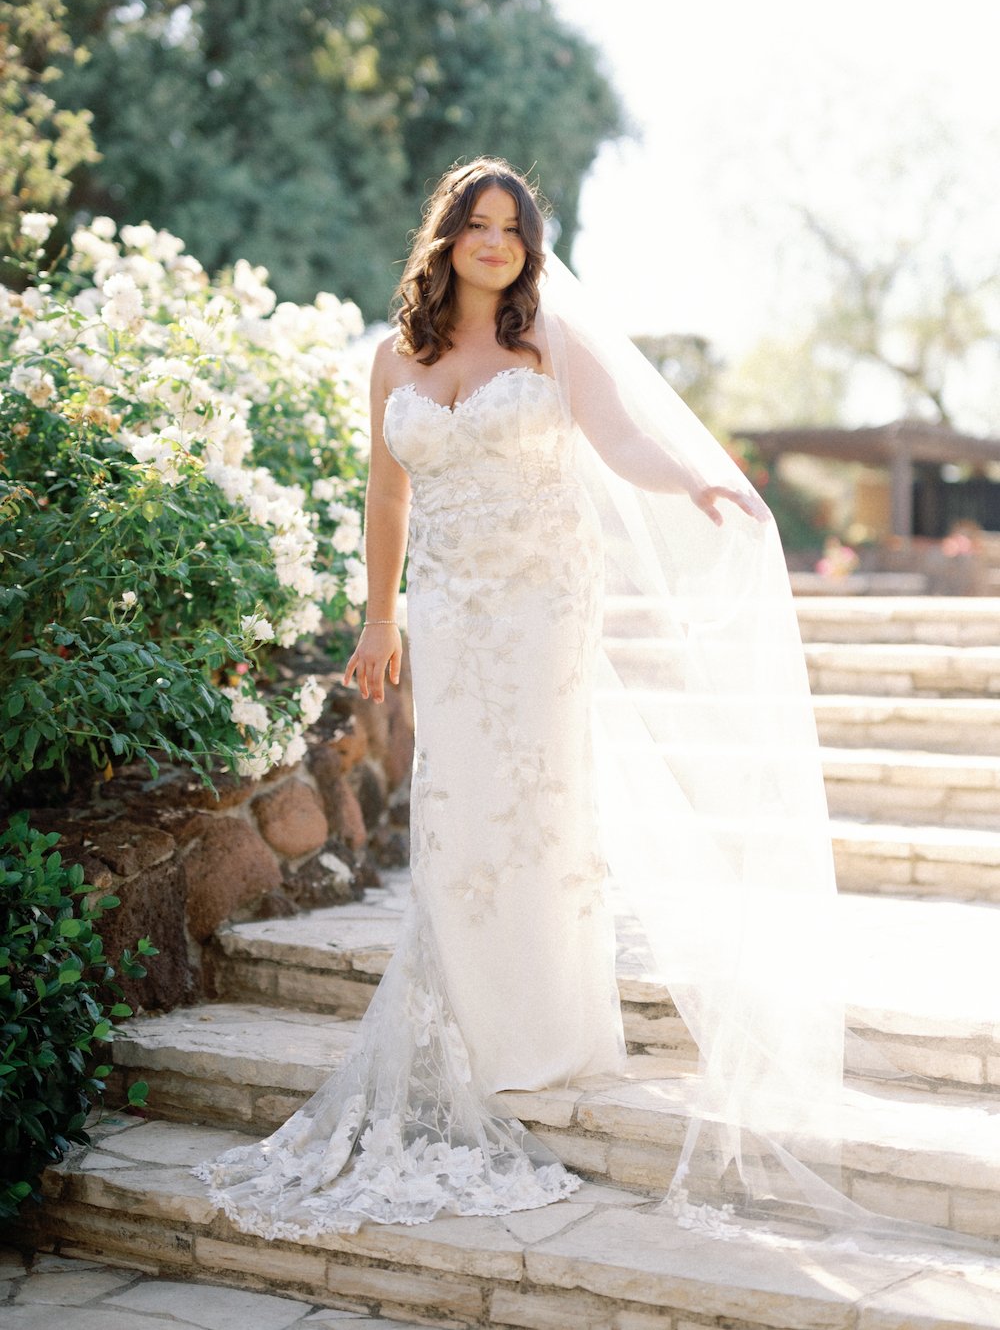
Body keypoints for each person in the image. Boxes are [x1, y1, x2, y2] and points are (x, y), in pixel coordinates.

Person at [194, 158, 989, 1255]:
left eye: (510, 229)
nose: (493, 243)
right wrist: (377, 618)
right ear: (445, 239)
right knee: (458, 809)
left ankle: (545, 1030)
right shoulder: (395, 359)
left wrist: (702, 483)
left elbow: (620, 441)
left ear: (527, 244)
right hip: (453, 614)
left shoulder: (547, 342)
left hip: (539, 609)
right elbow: (388, 492)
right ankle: (468, 1015)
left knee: (539, 808)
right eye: (475, 226)